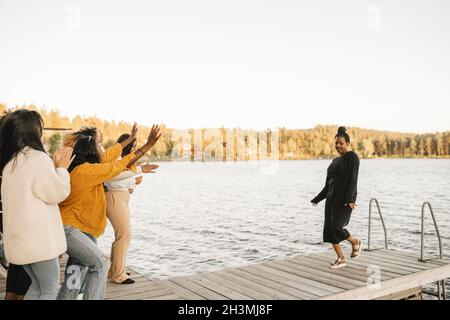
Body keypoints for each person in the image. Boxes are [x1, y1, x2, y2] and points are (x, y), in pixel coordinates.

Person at [57, 124, 161, 300]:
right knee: (101, 263)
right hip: (72, 229)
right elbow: (119, 164)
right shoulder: (87, 171)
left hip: (81, 228)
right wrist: (148, 145)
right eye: (98, 146)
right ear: (91, 151)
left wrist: (130, 139)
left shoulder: (83, 167)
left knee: (76, 271)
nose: (102, 149)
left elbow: (111, 155)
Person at [0, 109, 74, 299]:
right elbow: (58, 193)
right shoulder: (38, 159)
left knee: (36, 286)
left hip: (20, 244)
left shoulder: (11, 164)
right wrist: (62, 169)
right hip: (39, 243)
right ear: (34, 131)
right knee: (48, 288)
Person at [104, 133, 159, 284]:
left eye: (135, 146)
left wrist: (134, 182)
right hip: (114, 198)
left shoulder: (127, 163)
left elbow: (126, 182)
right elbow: (113, 177)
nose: (134, 149)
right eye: (132, 146)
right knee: (124, 235)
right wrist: (141, 170)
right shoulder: (115, 160)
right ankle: (118, 275)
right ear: (125, 144)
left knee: (122, 235)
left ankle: (114, 270)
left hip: (121, 198)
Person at [311, 126, 361, 269]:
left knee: (336, 228)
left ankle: (354, 242)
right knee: (329, 230)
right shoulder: (334, 162)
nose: (338, 146)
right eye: (336, 143)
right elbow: (328, 185)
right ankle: (340, 258)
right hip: (331, 200)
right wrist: (317, 198)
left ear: (347, 144)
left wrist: (351, 199)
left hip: (344, 200)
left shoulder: (352, 157)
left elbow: (353, 178)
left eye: (341, 143)